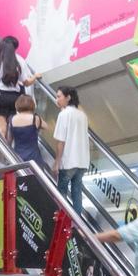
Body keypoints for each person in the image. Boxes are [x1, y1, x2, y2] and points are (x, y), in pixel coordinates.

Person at [0, 36, 37, 135]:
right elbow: (26, 83)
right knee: (11, 128)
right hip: (15, 98)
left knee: (1, 128)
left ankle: (1, 150)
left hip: (0, 97)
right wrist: (35, 76)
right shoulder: (20, 61)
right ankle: (9, 149)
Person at [52, 86, 89, 216]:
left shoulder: (64, 114)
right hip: (82, 161)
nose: (57, 99)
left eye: (59, 96)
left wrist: (57, 162)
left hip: (68, 161)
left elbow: (61, 141)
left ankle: (62, 222)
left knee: (61, 193)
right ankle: (77, 225)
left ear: (68, 97)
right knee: (77, 193)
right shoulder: (82, 115)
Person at [5, 95, 47, 167]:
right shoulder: (35, 118)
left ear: (17, 105)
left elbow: (9, 140)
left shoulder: (11, 119)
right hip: (34, 157)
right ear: (32, 105)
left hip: (18, 156)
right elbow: (46, 127)